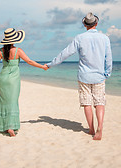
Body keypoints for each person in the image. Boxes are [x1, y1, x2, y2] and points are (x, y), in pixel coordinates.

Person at [46, 12, 112, 140]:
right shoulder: (105, 38)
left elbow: (65, 53)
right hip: (99, 76)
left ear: (84, 25)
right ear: (96, 23)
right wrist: (107, 73)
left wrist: (50, 64)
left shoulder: (80, 38)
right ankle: (100, 128)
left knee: (87, 103)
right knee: (100, 102)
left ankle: (92, 128)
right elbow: (108, 58)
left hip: (84, 76)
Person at [0, 28, 48, 137]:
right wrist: (42, 67)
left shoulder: (0, 51)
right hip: (14, 80)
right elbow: (29, 61)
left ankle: (3, 126)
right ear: (14, 40)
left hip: (4, 78)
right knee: (13, 102)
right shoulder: (18, 51)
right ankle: (10, 127)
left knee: (2, 101)